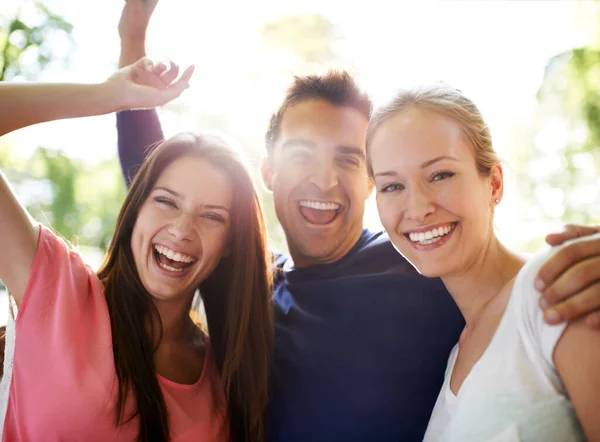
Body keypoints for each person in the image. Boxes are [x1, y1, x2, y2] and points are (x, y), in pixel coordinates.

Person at [116, 2, 600, 440]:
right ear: (268, 171)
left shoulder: (422, 261)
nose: (325, 182)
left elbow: (506, 285)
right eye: (302, 155)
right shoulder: (244, 287)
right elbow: (162, 192)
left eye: (348, 160)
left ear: (370, 180)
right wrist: (131, 39)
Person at [0, 59, 273, 442]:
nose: (181, 230)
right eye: (166, 201)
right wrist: (106, 95)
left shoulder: (224, 377)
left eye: (212, 216)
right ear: (135, 211)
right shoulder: (59, 290)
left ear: (231, 245)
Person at [366, 83, 600, 441]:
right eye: (392, 186)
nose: (417, 208)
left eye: (440, 175)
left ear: (493, 184)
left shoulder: (558, 286)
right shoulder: (455, 356)